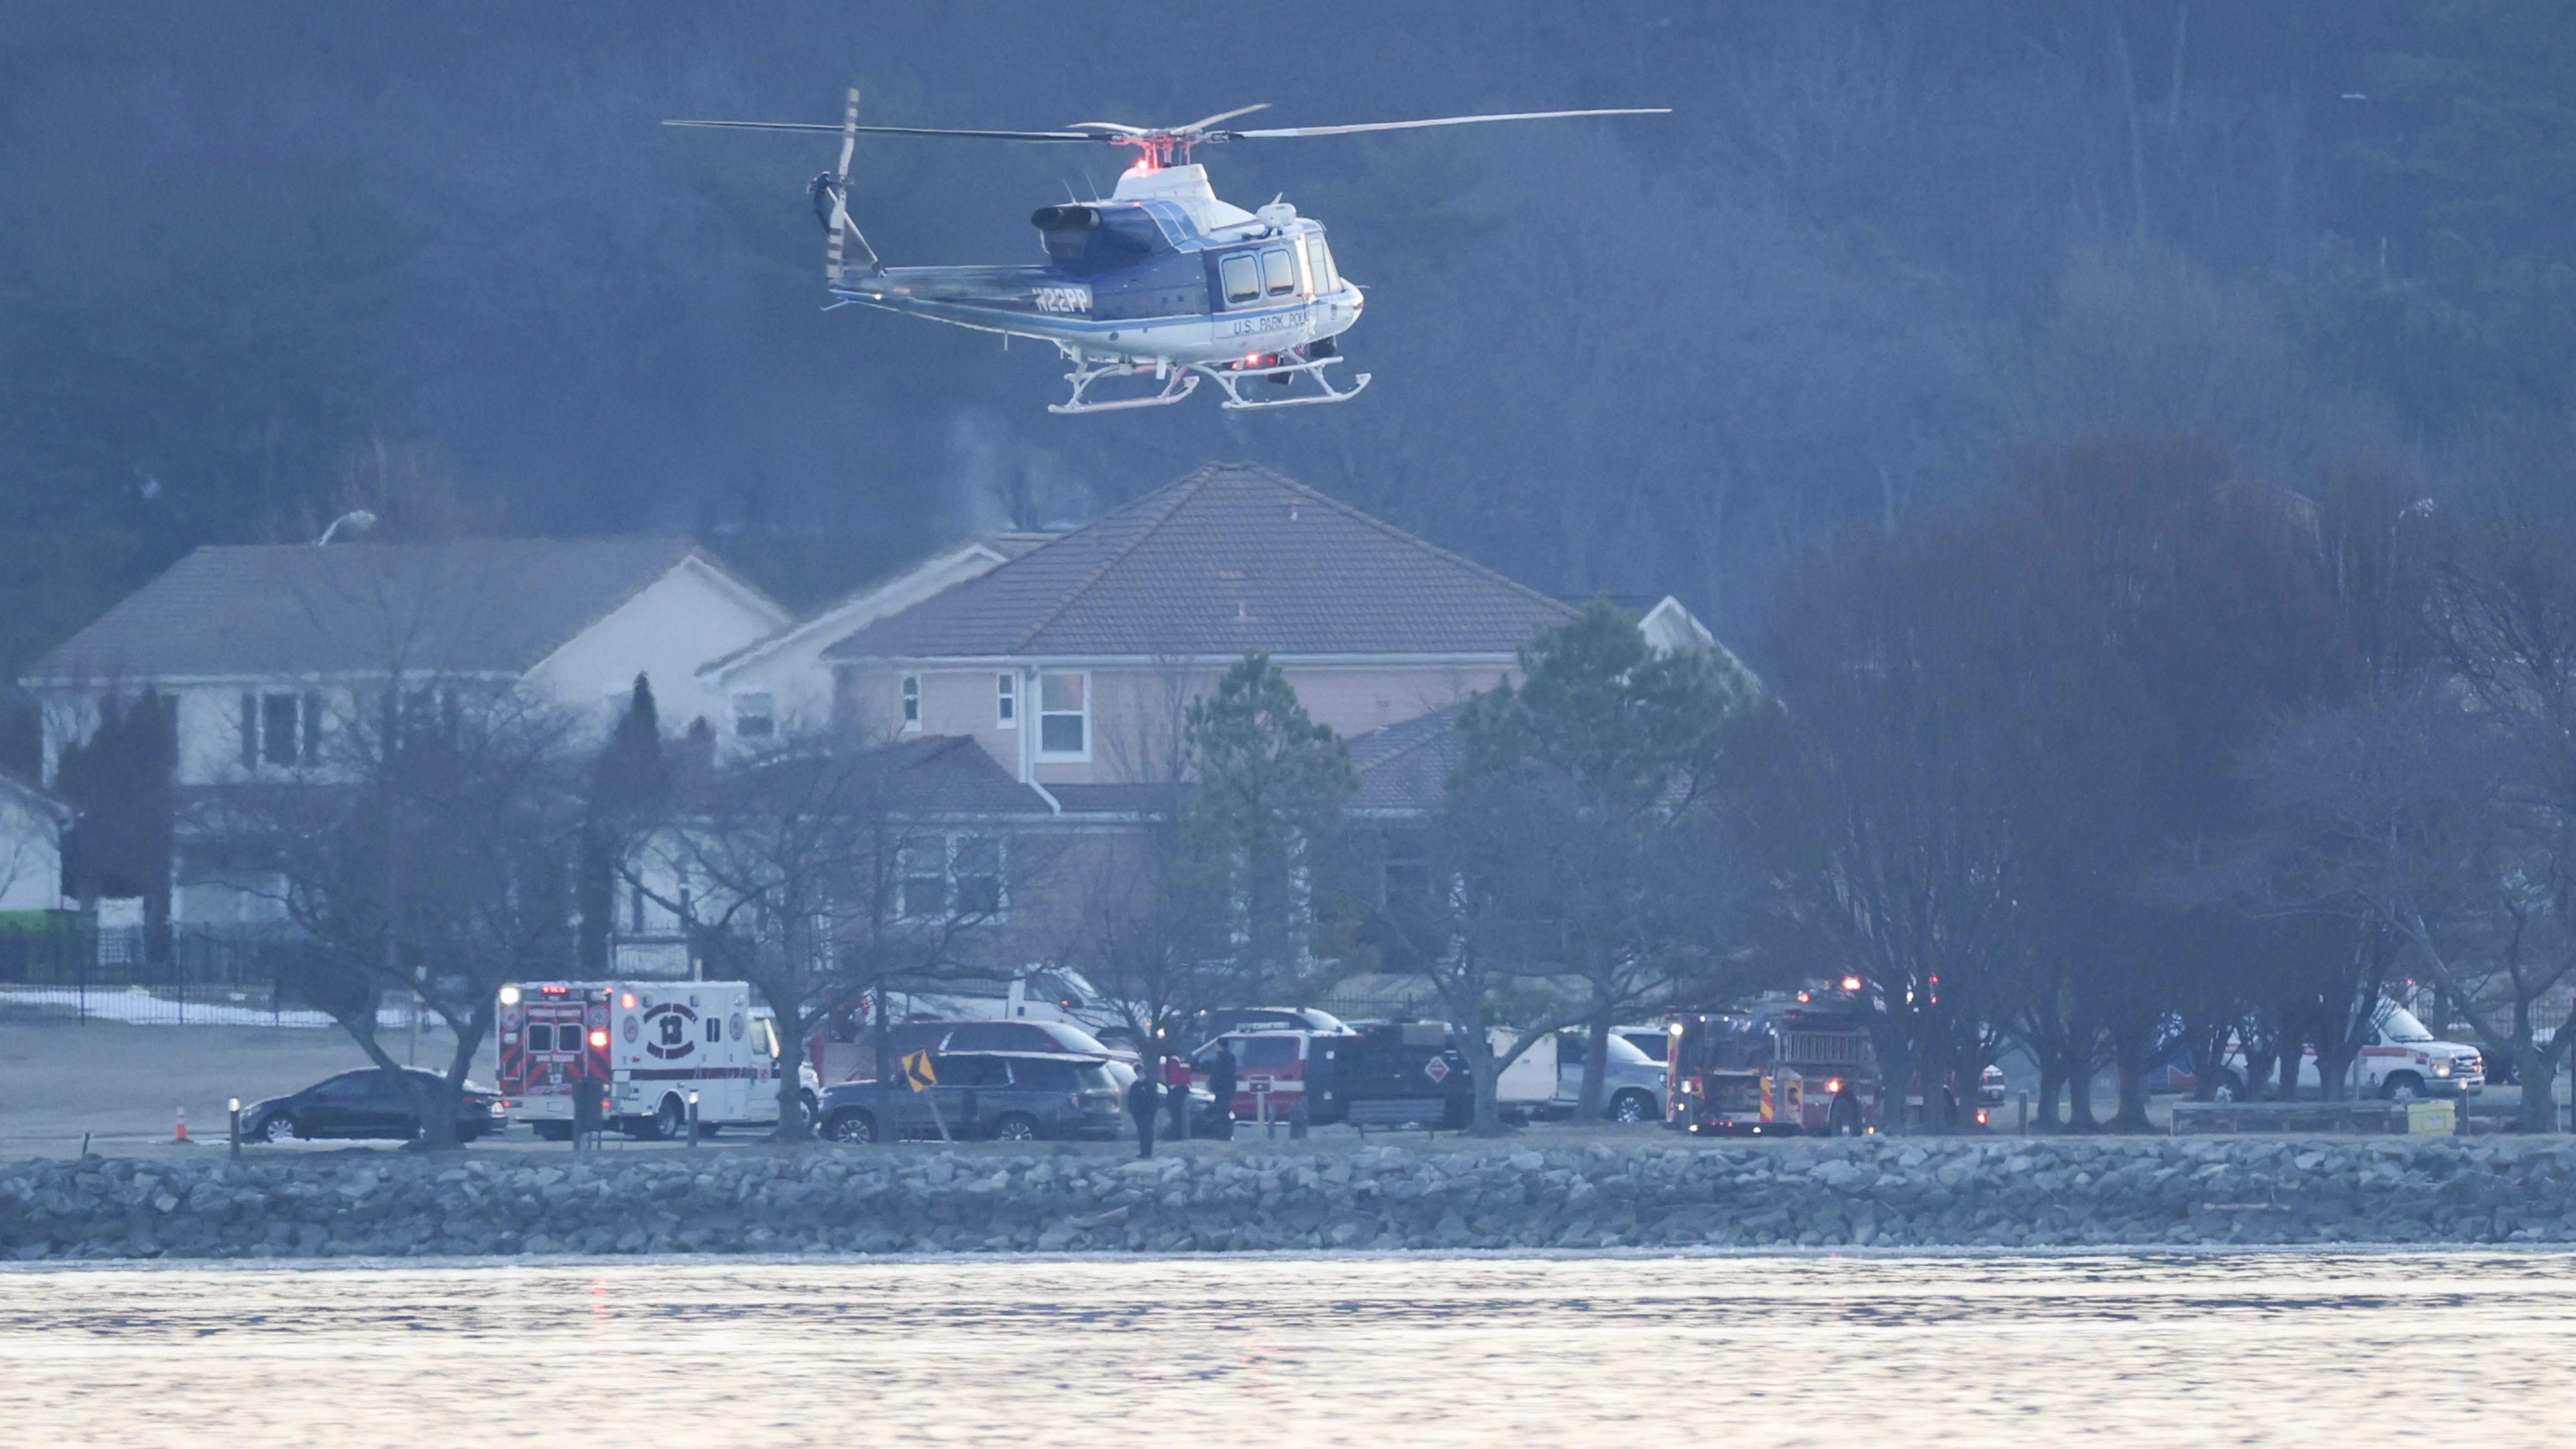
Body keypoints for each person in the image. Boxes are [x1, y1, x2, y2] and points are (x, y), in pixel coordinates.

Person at [1205, 1045, 1237, 1142]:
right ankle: (1225, 1133)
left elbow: (1220, 1075)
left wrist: (1215, 1086)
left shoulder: (1223, 1059)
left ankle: (1224, 1134)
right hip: (1225, 1089)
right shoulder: (1227, 1058)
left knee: (1223, 1112)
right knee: (1224, 1111)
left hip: (1222, 1090)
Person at [1125, 1072, 1160, 1159]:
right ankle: (1143, 1152)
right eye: (1139, 1075)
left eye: (1142, 1075)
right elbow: (1131, 1099)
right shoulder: (1135, 1086)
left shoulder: (1149, 1086)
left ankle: (1148, 1152)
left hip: (1148, 1114)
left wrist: (1152, 1112)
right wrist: (1132, 1110)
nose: (1141, 1077)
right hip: (1138, 1114)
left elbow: (1154, 1100)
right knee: (1141, 1132)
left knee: (1148, 1132)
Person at [1164, 1053, 1191, 1139]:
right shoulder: (1183, 1059)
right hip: (1182, 1088)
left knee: (1175, 1113)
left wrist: (1172, 1086)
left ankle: (1176, 1134)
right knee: (1179, 1113)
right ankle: (1179, 1134)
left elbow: (1174, 1075)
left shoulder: (1175, 1061)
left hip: (1176, 1089)